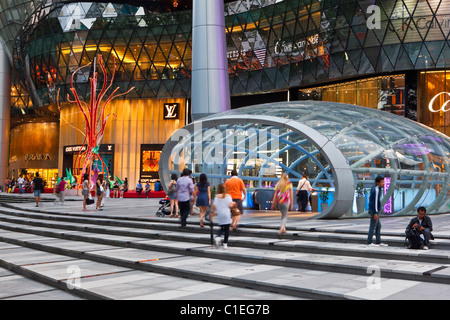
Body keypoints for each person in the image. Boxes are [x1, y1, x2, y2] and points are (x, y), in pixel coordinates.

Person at [211, 183, 236, 249]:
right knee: (227, 229)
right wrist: (233, 204)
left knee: (221, 227)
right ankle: (225, 244)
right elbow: (230, 206)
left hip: (220, 214)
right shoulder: (228, 196)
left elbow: (213, 206)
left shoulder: (217, 196)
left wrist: (212, 212)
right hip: (227, 214)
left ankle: (218, 237)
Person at [367, 176, 388, 247]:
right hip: (374, 211)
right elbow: (375, 202)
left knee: (378, 226)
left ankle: (378, 241)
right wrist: (375, 212)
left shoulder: (377, 189)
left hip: (374, 210)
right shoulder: (376, 189)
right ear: (377, 183)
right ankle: (369, 242)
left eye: (383, 182)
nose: (383, 184)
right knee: (372, 226)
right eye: (382, 182)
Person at [271, 173, 294, 238]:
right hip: (286, 201)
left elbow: (275, 195)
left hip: (279, 202)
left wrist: (273, 203)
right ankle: (282, 228)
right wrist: (291, 204)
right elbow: (291, 195)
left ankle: (284, 229)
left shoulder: (278, 184)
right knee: (284, 215)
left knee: (283, 214)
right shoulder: (289, 184)